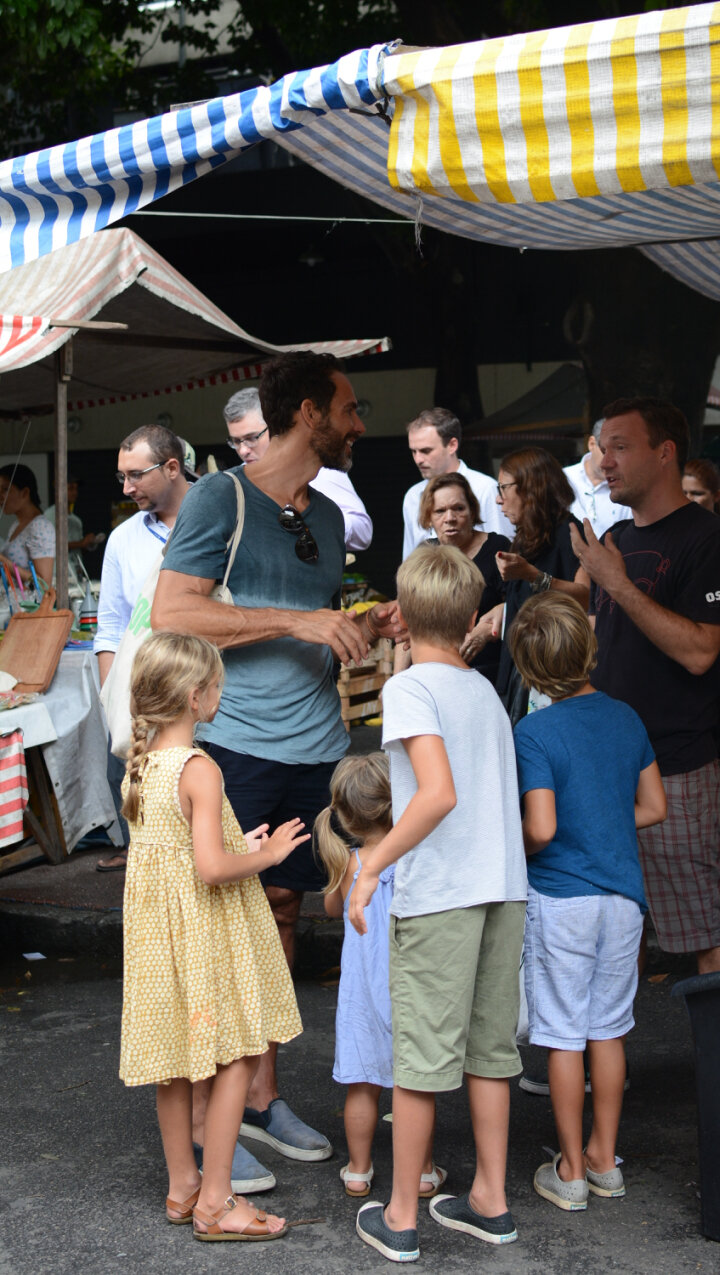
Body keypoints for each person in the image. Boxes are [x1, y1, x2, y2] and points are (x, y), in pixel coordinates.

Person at [152, 351, 404, 1178]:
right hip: (235, 742)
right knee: (220, 920)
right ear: (307, 412)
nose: (359, 424)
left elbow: (313, 617)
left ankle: (258, 1098)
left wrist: (361, 620)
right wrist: (298, 623)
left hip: (316, 744)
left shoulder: (326, 514)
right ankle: (202, 1124)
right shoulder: (221, 497)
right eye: (349, 408)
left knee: (285, 912)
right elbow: (171, 611)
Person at [348, 544, 527, 1263]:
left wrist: (371, 866)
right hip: (502, 887)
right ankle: (491, 1199)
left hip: (443, 894)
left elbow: (436, 793)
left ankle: (399, 1215)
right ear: (470, 612)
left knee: (420, 1057)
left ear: (402, 612)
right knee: (490, 1052)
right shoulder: (482, 689)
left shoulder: (410, 688)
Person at [118, 631, 309, 1242]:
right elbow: (209, 869)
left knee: (174, 1064)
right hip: (203, 935)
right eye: (218, 686)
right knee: (239, 1053)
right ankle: (218, 1201)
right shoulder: (199, 768)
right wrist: (266, 855)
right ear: (195, 697)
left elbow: (179, 852)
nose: (222, 695)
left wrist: (234, 844)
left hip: (160, 943)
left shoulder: (143, 767)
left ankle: (184, 1187)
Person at [572, 397, 720, 974]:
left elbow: (700, 652)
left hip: (676, 767)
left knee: (707, 925)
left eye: (620, 447)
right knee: (609, 931)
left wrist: (617, 583)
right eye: (603, 449)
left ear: (665, 452)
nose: (605, 462)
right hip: (605, 769)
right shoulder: (616, 536)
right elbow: (605, 641)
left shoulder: (710, 538)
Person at [508, 592, 666, 1211]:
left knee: (563, 1033)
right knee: (608, 1028)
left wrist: (512, 844)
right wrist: (604, 821)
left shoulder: (534, 731)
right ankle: (605, 1156)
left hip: (561, 897)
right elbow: (653, 806)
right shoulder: (627, 718)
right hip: (623, 901)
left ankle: (570, 1169)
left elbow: (542, 828)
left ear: (528, 667)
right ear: (590, 648)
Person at [315, 753, 446, 1202]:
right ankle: (423, 1172)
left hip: (362, 992)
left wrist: (340, 870)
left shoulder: (353, 864)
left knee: (362, 1084)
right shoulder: (413, 856)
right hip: (411, 984)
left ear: (346, 815)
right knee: (417, 1083)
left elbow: (332, 909)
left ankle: (358, 1170)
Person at [93, 425, 191, 874]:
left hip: (204, 697)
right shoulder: (123, 538)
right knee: (147, 821)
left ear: (171, 467)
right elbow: (111, 626)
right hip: (140, 702)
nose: (127, 488)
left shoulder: (217, 522)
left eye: (136, 475)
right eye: (122, 476)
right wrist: (113, 697)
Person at [476, 447, 587, 722]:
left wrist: (534, 576)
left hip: (551, 679)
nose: (499, 500)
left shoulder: (570, 533)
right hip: (518, 672)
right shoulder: (526, 536)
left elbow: (586, 597)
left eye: (504, 488)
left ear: (530, 488)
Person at [223, 385, 373, 552]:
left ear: (276, 428)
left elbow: (363, 532)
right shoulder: (233, 483)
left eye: (252, 438)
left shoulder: (318, 467)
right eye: (236, 441)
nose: (243, 450)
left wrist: (309, 522)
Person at [396, 473, 509, 684]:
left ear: (472, 511)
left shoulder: (497, 549)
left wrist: (492, 622)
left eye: (458, 508)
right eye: (440, 511)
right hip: (433, 677)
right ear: (428, 517)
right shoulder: (424, 554)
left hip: (489, 675)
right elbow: (406, 626)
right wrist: (397, 681)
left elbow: (521, 604)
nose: (450, 518)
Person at [402, 407, 512, 558]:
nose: (418, 459)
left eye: (426, 451)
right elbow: (410, 558)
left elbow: (503, 554)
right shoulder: (413, 496)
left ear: (452, 445)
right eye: (414, 451)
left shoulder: (485, 488)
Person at [563, 420, 631, 538]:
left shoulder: (628, 488)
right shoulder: (563, 478)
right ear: (591, 444)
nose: (610, 462)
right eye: (604, 451)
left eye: (620, 451)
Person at [0, 463, 55, 589]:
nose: (0, 496)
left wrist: (2, 560)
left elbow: (44, 585)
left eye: (5, 490)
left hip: (29, 602)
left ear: (25, 492)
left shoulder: (40, 526)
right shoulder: (16, 525)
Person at [44, 476, 101, 551]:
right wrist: (82, 543)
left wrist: (89, 543)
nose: (75, 493)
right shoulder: (50, 515)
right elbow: (51, 544)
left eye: (76, 489)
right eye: (70, 489)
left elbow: (79, 547)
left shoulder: (76, 520)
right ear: (59, 491)